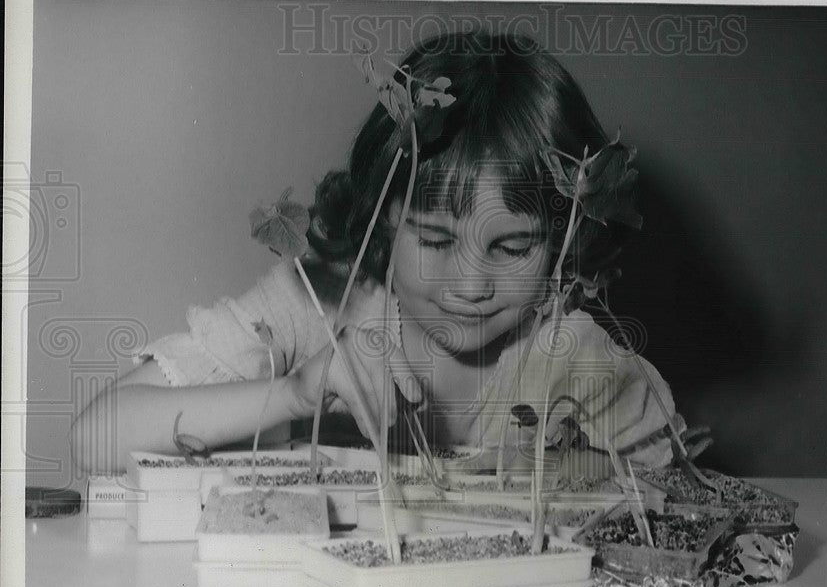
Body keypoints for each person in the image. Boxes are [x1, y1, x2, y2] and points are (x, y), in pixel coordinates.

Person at [70, 30, 680, 477]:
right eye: (436, 240)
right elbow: (91, 440)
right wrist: (291, 395)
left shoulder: (574, 354)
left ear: (566, 237)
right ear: (383, 220)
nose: (470, 284)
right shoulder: (317, 300)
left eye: (513, 246)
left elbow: (673, 492)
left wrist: (570, 470)